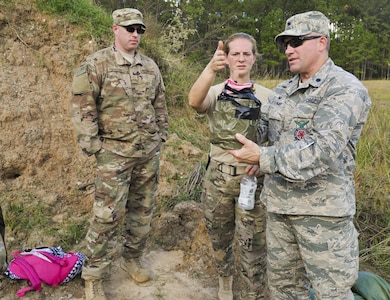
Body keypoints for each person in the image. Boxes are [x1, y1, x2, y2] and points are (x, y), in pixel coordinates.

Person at [228, 11, 372, 300]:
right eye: (285, 44)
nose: (288, 50)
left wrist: (264, 158)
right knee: (284, 292)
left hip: (323, 218)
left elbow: (324, 148)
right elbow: (266, 137)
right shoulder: (282, 91)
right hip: (280, 212)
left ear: (321, 42)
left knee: (331, 294)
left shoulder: (344, 88)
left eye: (296, 42)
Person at [70, 8, 168, 300]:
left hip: (147, 154)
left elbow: (160, 104)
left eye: (139, 29)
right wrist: (97, 148)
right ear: (115, 29)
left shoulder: (150, 66)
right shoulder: (96, 64)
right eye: (129, 29)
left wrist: (161, 136)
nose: (135, 34)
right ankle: (94, 274)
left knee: (142, 211)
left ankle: (132, 259)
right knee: (106, 216)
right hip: (114, 155)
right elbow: (82, 108)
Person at [188, 33, 271, 300]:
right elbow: (194, 102)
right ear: (228, 57)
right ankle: (225, 280)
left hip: (252, 183)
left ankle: (254, 290)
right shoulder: (215, 91)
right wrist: (211, 69)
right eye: (235, 53)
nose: (241, 58)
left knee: (253, 243)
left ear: (254, 58)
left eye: (247, 54)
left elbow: (277, 141)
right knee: (219, 236)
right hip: (218, 180)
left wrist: (263, 161)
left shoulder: (269, 98)